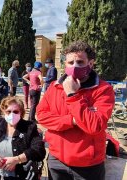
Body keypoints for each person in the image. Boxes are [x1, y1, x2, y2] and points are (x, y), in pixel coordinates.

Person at [36, 41, 115, 180]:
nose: (74, 66)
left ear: (90, 64)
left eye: (80, 62)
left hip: (88, 165)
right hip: (57, 160)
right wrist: (73, 120)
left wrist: (72, 95)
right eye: (70, 62)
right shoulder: (55, 87)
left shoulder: (103, 89)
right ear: (65, 64)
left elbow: (94, 125)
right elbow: (41, 116)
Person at [0, 96, 46, 179]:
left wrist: (17, 159)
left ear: (21, 113)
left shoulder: (29, 127)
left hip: (18, 175)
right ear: (4, 112)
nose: (12, 114)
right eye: (8, 111)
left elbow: (39, 150)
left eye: (15, 112)